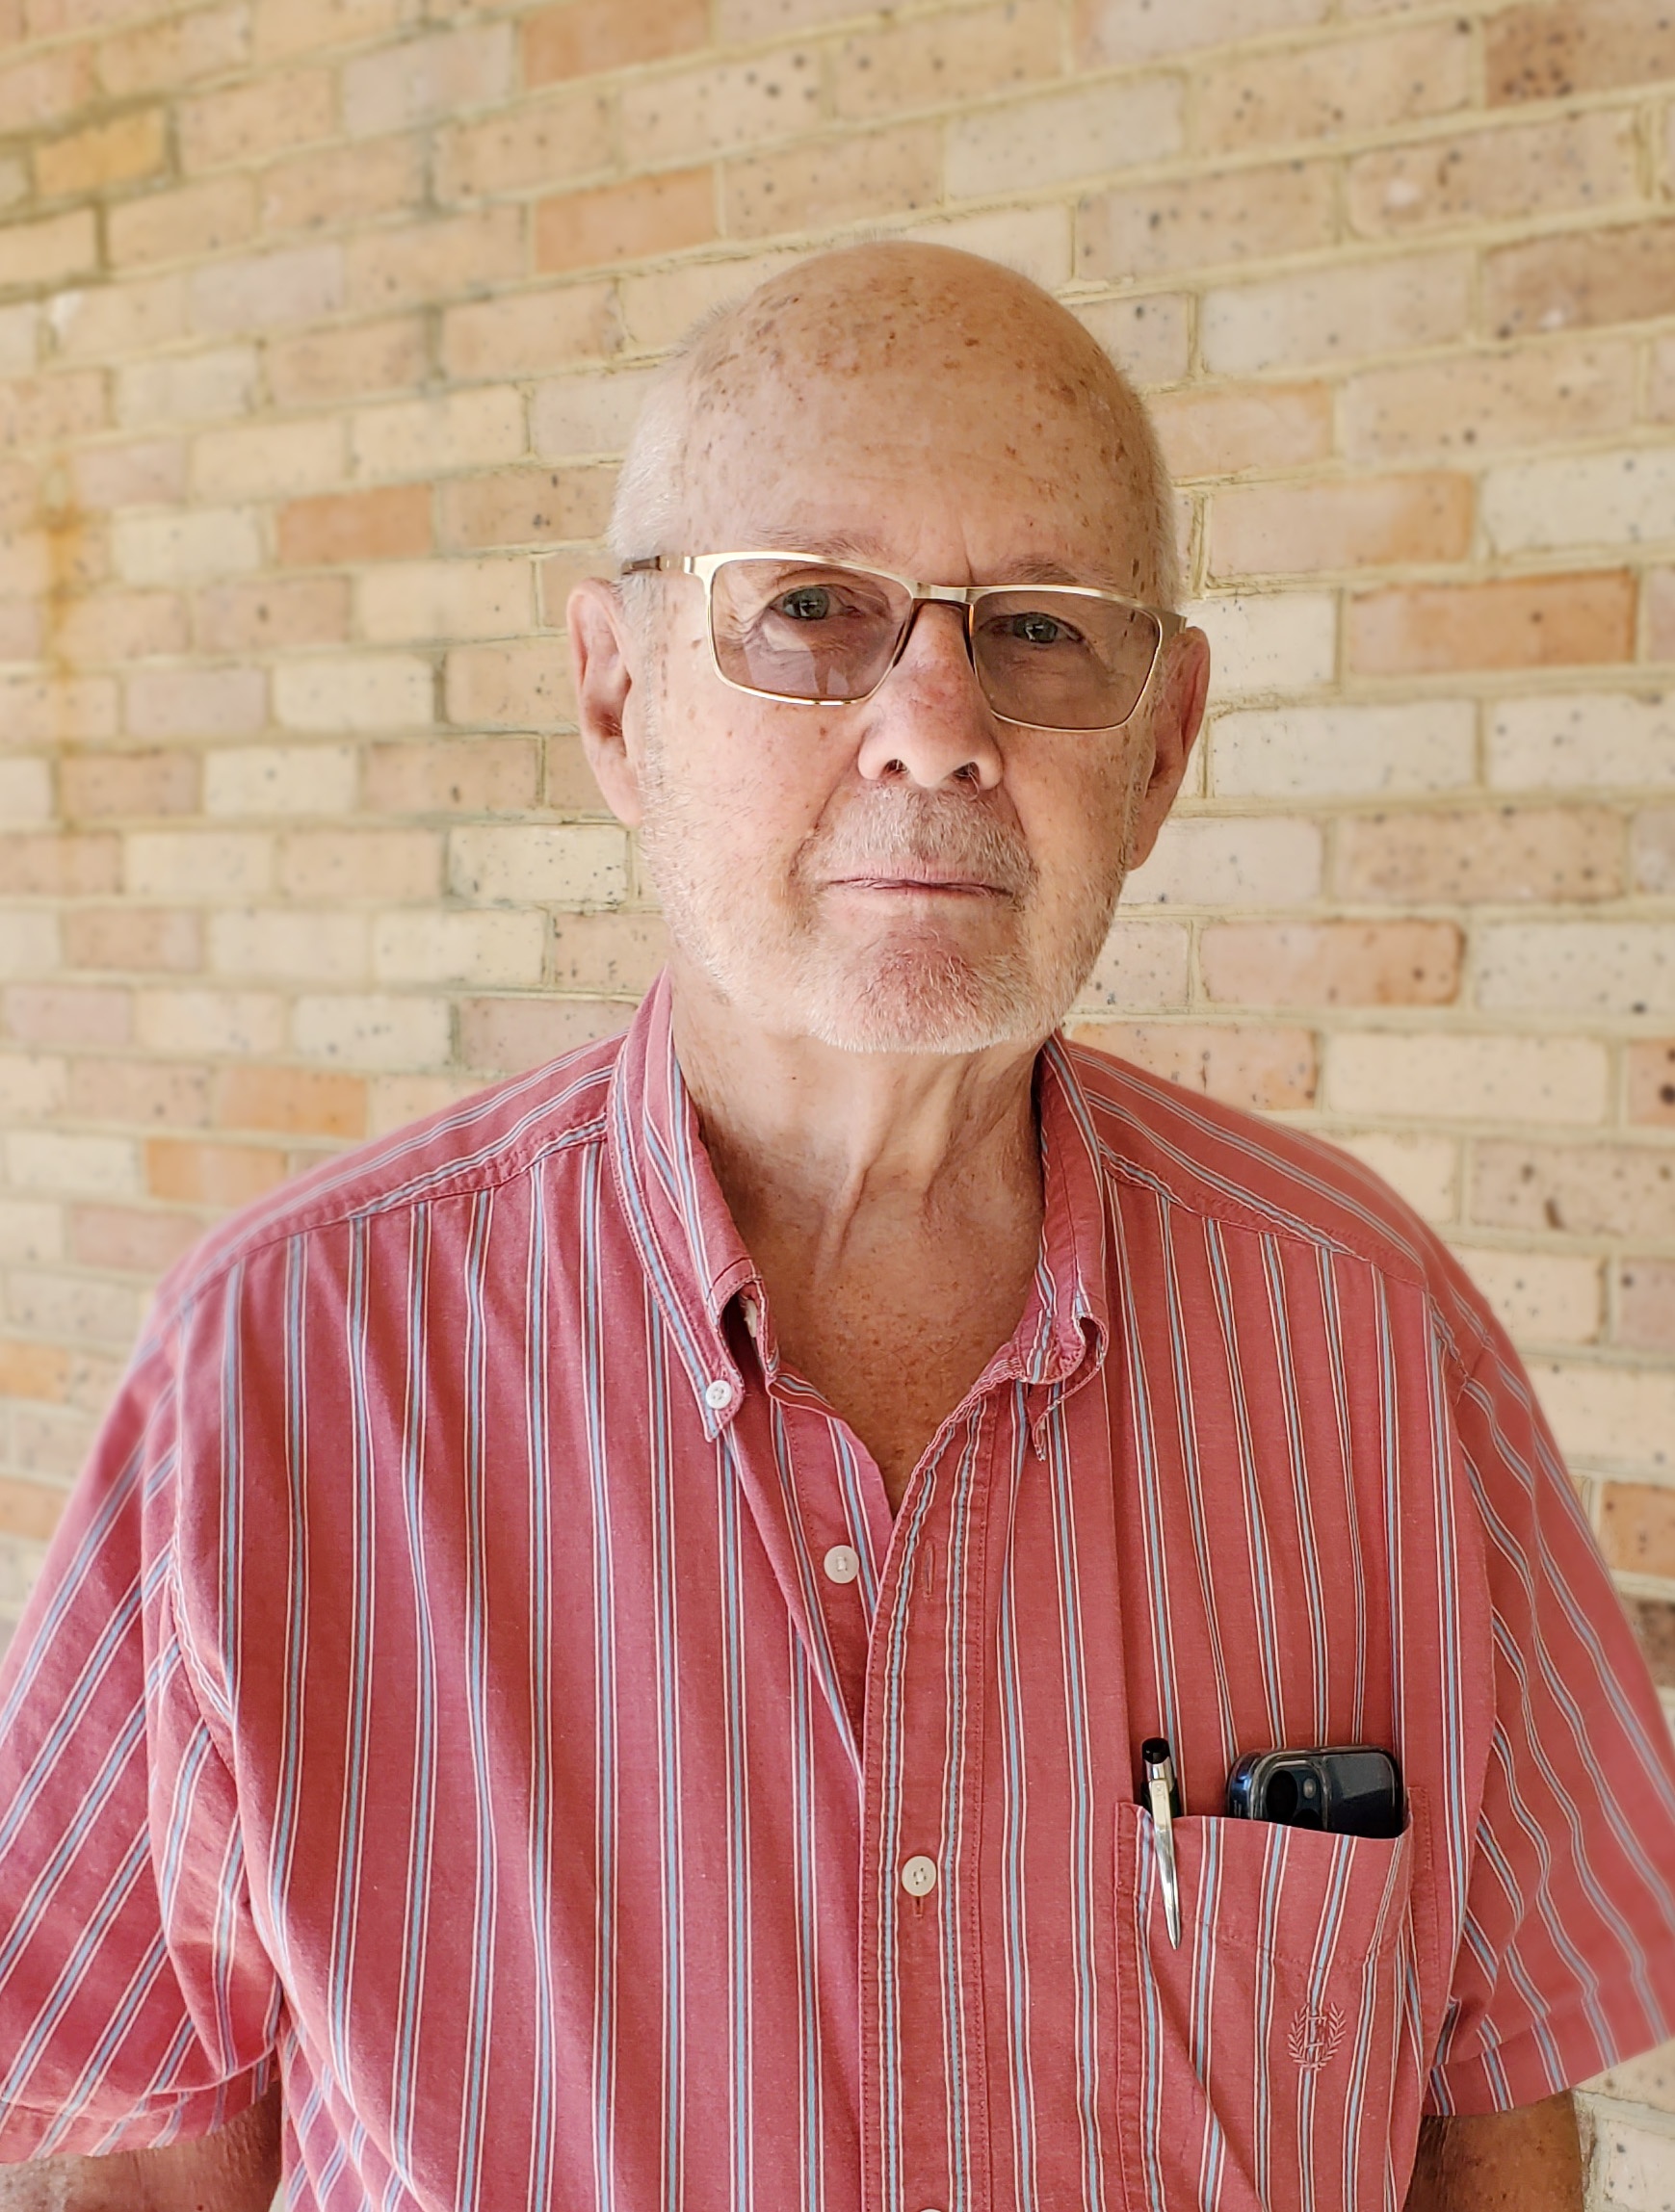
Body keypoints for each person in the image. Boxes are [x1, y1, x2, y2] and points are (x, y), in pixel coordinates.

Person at [0, 242, 1671, 2212]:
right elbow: (127, 2166)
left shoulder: (1377, 1336)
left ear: (1162, 747)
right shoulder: (276, 1366)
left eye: (1043, 632)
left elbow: (1496, 2117)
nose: (938, 724)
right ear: (615, 705)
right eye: (809, 611)